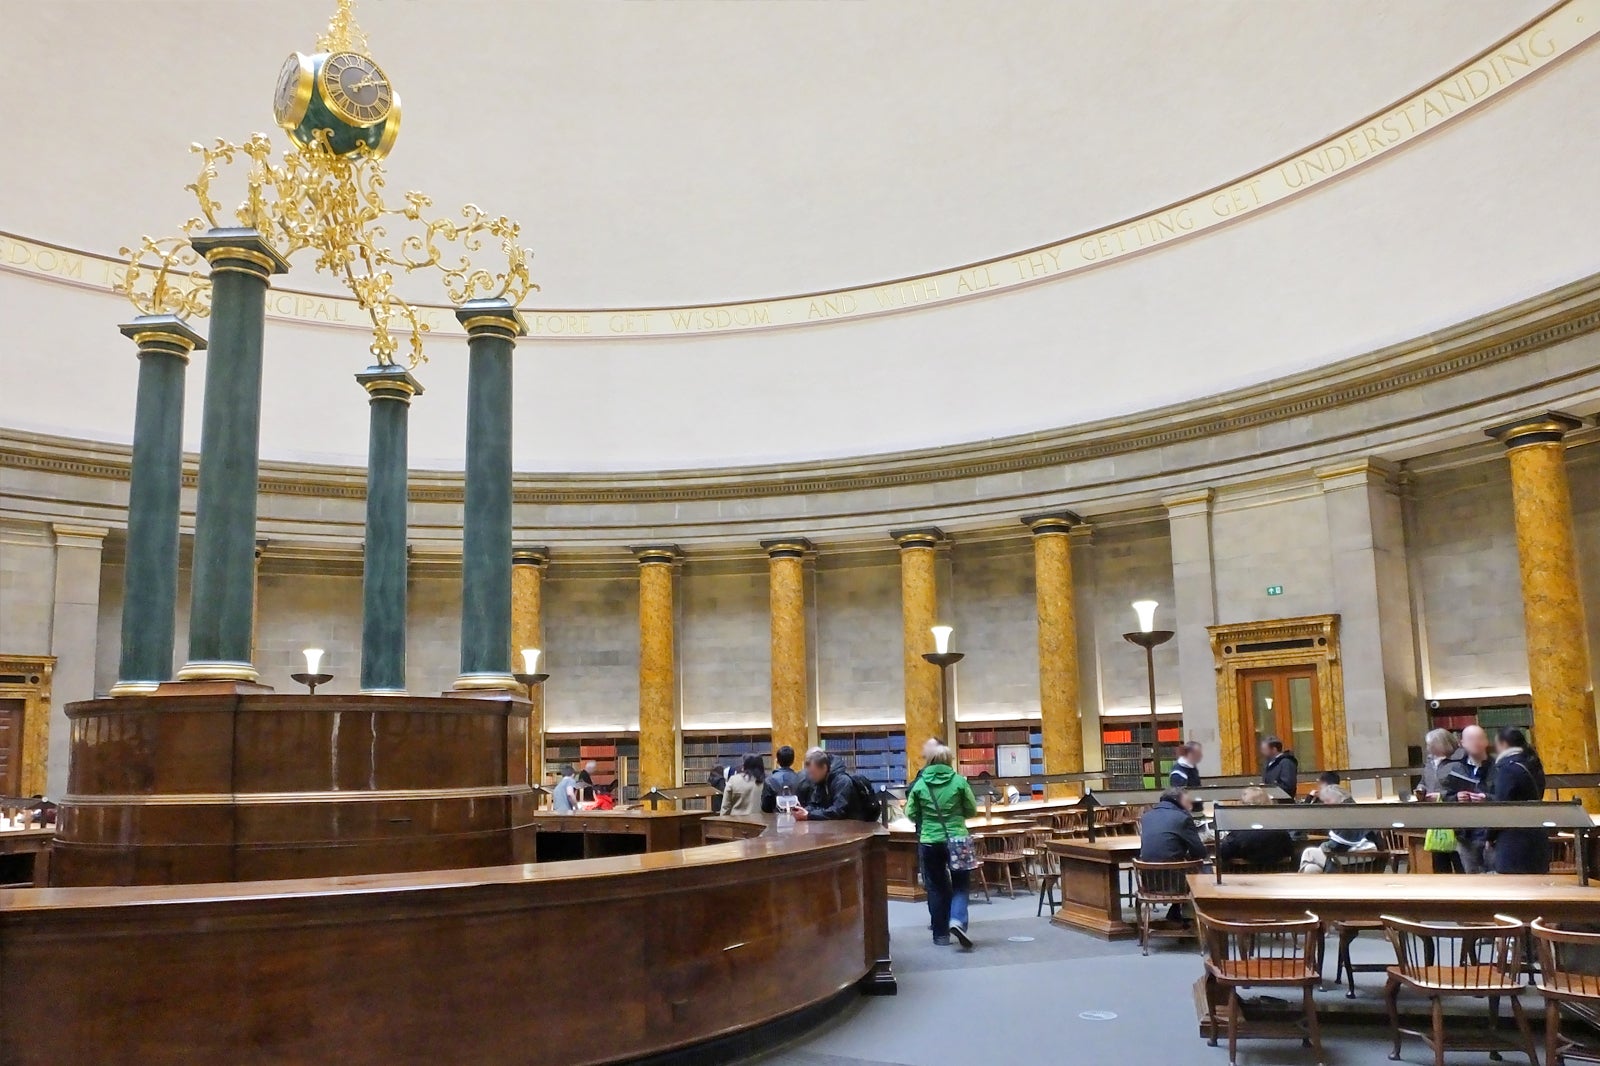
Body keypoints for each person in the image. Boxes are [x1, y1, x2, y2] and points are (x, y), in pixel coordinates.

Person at [905, 743, 978, 948]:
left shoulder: (920, 785)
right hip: (957, 839)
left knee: (936, 887)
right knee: (961, 884)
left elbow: (910, 814)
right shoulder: (959, 782)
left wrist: (927, 818)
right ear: (949, 761)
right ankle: (956, 920)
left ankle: (940, 935)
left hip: (930, 841)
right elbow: (972, 810)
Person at [1138, 788, 1207, 920]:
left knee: (1178, 861)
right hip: (1175, 883)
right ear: (1178, 801)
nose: (1190, 805)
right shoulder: (1183, 818)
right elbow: (1200, 852)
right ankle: (1191, 917)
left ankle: (1175, 911)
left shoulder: (1146, 817)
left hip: (1149, 881)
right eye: (1187, 801)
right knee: (1205, 869)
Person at [1488, 727, 1550, 874]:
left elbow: (1501, 807)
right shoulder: (1534, 764)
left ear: (1503, 744)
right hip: (1537, 836)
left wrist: (1489, 835)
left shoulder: (1507, 769)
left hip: (1514, 840)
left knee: (1514, 888)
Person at [1441, 724, 1494, 872]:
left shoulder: (1497, 767)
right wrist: (1456, 797)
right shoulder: (1455, 769)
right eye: (1470, 739)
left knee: (1497, 880)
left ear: (1486, 741)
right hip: (1466, 835)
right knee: (1472, 879)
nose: (1475, 742)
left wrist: (1487, 798)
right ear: (1462, 743)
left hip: (1491, 834)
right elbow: (1445, 797)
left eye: (1479, 738)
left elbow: (1507, 797)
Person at [1298, 783, 1378, 872]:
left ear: (1337, 797)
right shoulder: (1355, 810)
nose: (1325, 804)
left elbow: (1337, 845)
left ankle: (1300, 884)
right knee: (1311, 868)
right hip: (1361, 858)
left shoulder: (1344, 814)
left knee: (1308, 853)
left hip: (1350, 859)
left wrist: (1323, 846)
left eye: (1327, 800)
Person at [1217, 786, 1295, 867]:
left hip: (1243, 875)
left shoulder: (1240, 832)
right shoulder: (1280, 830)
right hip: (1278, 875)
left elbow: (1224, 853)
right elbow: (1289, 851)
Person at [791, 748, 856, 820]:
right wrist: (803, 810)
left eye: (813, 773)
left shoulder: (842, 781)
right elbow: (815, 804)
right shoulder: (821, 781)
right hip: (833, 827)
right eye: (809, 773)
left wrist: (809, 815)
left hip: (852, 827)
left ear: (824, 768)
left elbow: (838, 811)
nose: (810, 777)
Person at [761, 745, 805, 813]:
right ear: (793, 761)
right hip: (796, 818)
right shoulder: (800, 779)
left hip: (775, 820)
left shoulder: (769, 780)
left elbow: (765, 807)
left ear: (777, 761)